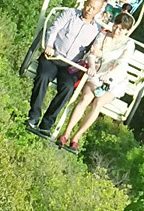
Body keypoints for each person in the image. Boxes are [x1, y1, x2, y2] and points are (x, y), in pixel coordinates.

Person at [58, 12, 135, 152]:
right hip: (97, 74)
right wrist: (92, 66)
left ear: (127, 31)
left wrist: (109, 72)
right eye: (116, 27)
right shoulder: (103, 36)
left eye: (121, 29)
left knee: (98, 103)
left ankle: (76, 137)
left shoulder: (128, 44)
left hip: (114, 79)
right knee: (86, 98)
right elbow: (93, 54)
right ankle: (66, 133)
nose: (117, 31)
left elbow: (121, 62)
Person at [27, 0, 101, 137]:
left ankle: (47, 124)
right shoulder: (70, 14)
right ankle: (34, 116)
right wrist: (49, 45)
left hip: (70, 65)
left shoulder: (96, 30)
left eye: (93, 9)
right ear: (85, 3)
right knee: (43, 76)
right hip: (53, 56)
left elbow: (93, 51)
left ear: (98, 12)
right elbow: (54, 28)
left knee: (67, 88)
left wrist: (93, 60)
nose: (89, 10)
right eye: (88, 6)